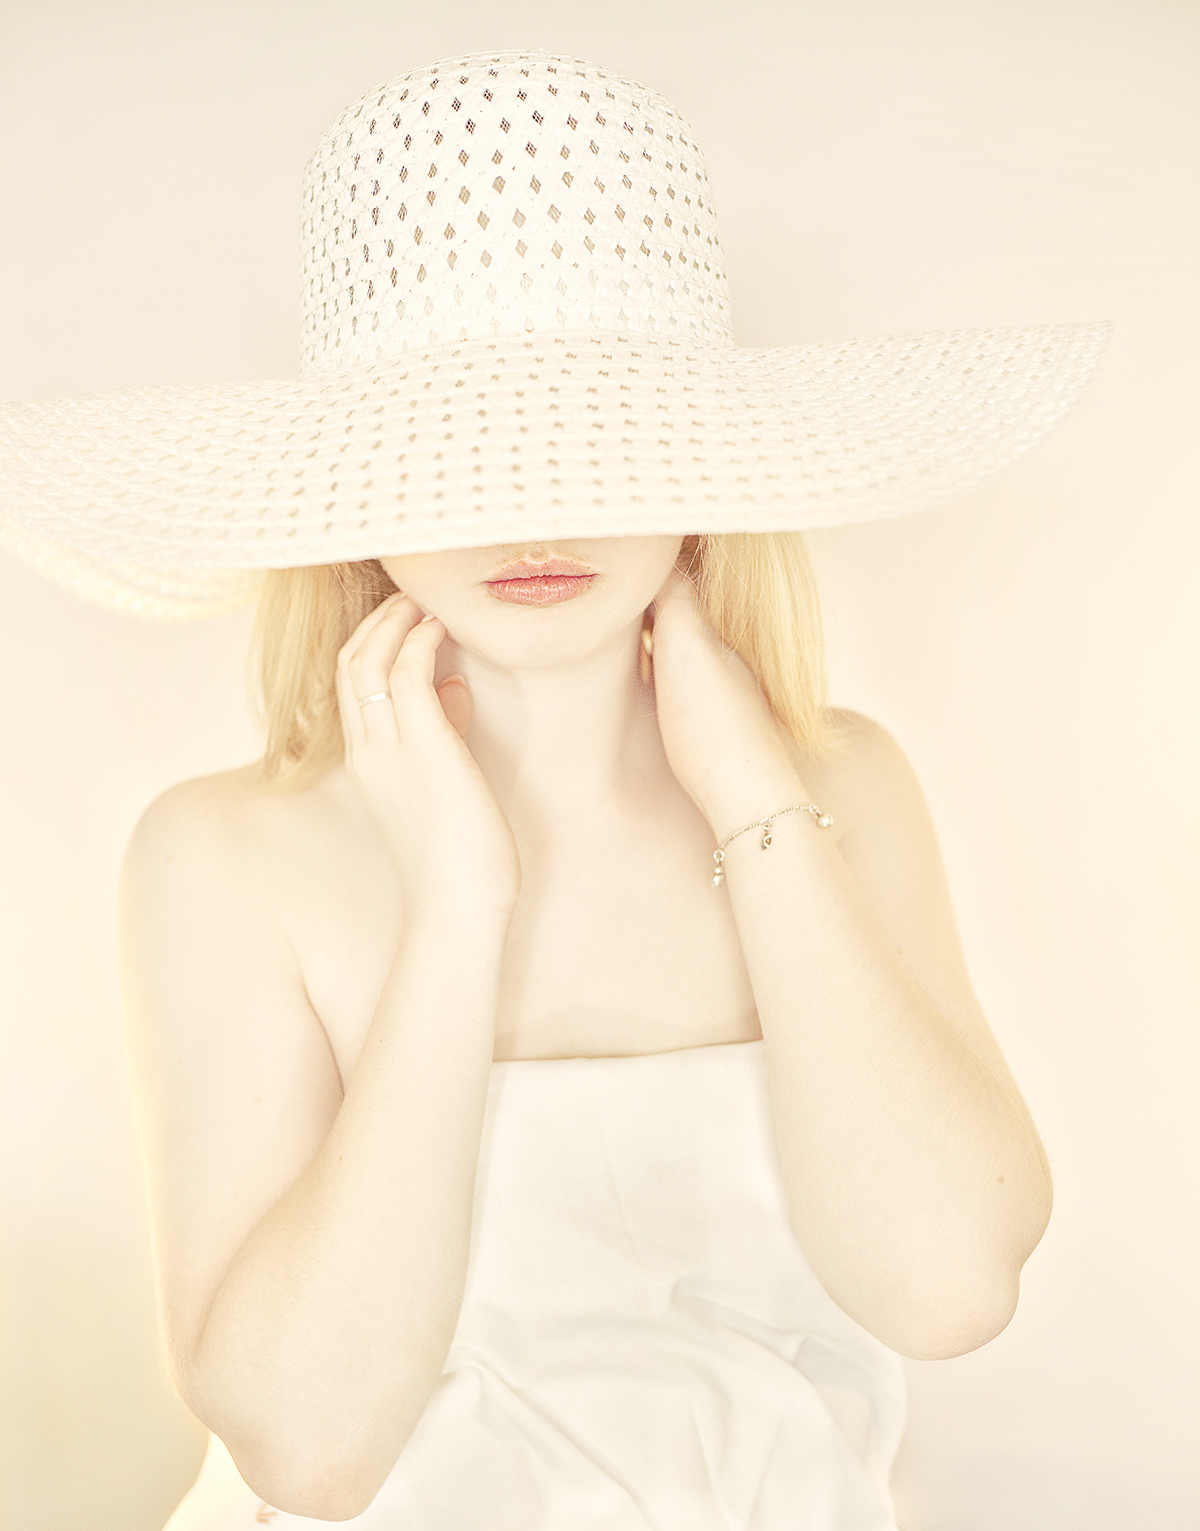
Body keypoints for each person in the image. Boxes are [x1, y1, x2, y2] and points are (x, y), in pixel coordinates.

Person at [0, 50, 1109, 1531]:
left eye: (601, 432)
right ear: (356, 491)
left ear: (699, 458)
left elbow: (948, 1286)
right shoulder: (224, 857)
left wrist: (754, 810)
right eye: (461, 448)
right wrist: (459, 903)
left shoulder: (837, 787)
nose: (536, 508)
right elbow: (310, 1453)